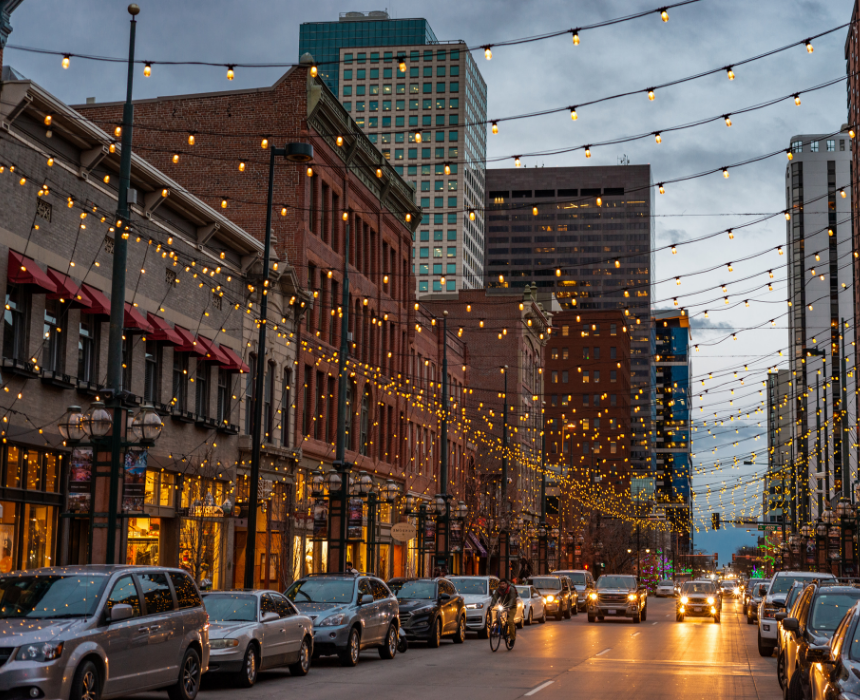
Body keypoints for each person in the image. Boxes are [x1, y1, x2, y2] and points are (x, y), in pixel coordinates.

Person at [489, 577, 519, 644]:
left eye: (503, 584)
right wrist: (492, 605)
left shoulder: (511, 589)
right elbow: (495, 598)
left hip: (512, 606)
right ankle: (499, 629)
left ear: (506, 584)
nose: (502, 585)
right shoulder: (498, 590)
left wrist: (509, 607)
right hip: (503, 606)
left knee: (510, 621)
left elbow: (512, 599)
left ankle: (512, 638)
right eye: (501, 584)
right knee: (498, 615)